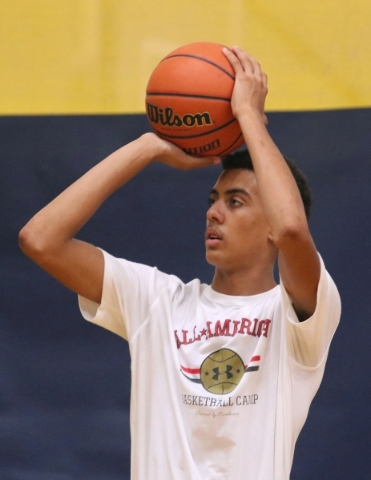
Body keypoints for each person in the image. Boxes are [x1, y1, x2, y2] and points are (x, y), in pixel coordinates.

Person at [19, 46, 341, 480]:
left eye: (236, 201)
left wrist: (247, 116)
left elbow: (292, 231)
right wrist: (146, 148)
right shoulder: (156, 302)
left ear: (270, 227)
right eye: (213, 200)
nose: (213, 212)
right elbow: (40, 239)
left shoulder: (298, 314)